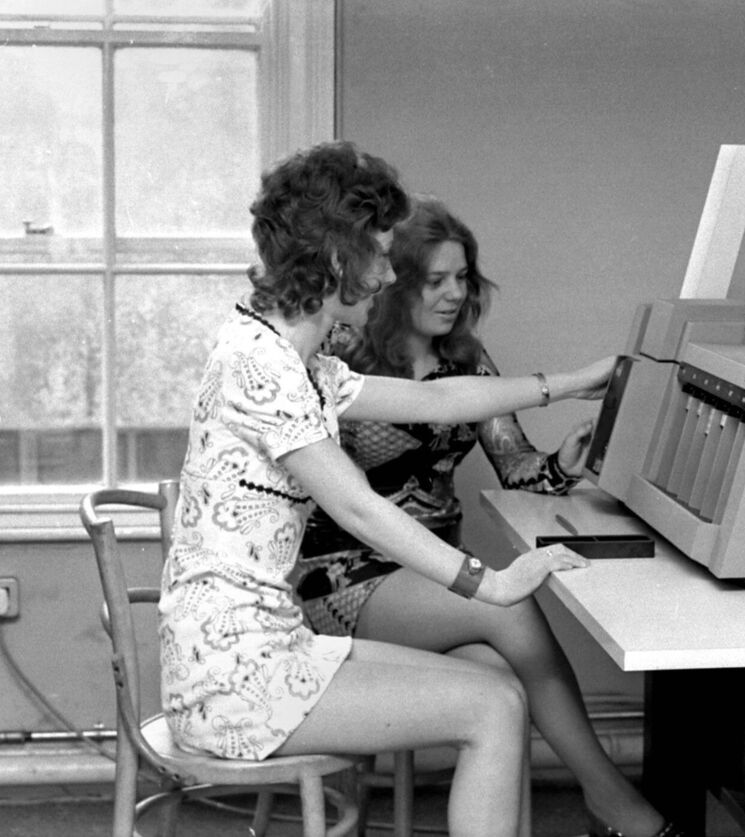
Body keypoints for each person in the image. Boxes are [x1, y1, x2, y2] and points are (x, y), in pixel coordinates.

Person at [157, 141, 617, 837]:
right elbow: (355, 505)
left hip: (269, 647)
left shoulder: (296, 358)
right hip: (233, 680)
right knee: (491, 708)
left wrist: (574, 382)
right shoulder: (263, 366)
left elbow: (442, 400)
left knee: (501, 692)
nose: (382, 272)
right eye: (375, 251)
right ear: (335, 256)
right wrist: (488, 584)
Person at [294, 198, 680, 837]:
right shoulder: (345, 359)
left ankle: (584, 809)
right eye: (435, 279)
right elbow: (344, 497)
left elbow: (517, 464)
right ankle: (614, 801)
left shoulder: (469, 362)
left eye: (463, 278)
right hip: (343, 578)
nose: (453, 294)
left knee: (504, 678)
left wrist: (563, 462)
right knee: (510, 605)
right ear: (397, 282)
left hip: (434, 583)